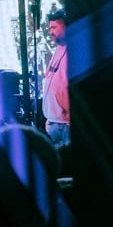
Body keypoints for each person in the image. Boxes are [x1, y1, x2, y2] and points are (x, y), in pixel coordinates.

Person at [41, 8, 69, 145]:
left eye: (54, 27)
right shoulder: (59, 49)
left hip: (67, 126)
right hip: (55, 124)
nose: (50, 32)